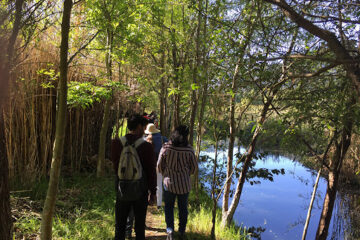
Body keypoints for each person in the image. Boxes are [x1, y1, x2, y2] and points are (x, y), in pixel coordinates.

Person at [111, 114, 157, 240]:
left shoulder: (116, 143)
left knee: (120, 226)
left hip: (122, 188)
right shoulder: (146, 146)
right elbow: (151, 171)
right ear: (138, 126)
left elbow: (116, 167)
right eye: (143, 127)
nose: (144, 130)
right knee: (140, 227)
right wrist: (153, 192)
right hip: (140, 191)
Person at [157, 125, 198, 240]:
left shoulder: (166, 147)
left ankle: (170, 229)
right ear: (186, 136)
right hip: (184, 185)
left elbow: (159, 165)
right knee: (183, 208)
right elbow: (194, 168)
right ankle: (182, 231)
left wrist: (166, 173)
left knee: (169, 207)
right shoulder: (189, 149)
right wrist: (185, 174)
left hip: (168, 184)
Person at [144, 123, 168, 209]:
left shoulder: (145, 140)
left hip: (148, 165)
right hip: (160, 165)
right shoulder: (163, 139)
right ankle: (159, 204)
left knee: (147, 183)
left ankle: (147, 200)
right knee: (159, 184)